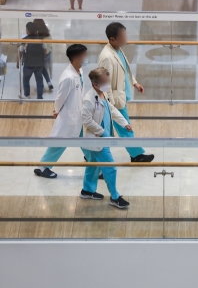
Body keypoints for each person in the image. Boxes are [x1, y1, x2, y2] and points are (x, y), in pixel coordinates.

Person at [98, 22, 154, 163]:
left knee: (123, 126)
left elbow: (125, 69)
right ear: (112, 39)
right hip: (115, 100)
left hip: (121, 95)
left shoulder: (118, 50)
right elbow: (104, 83)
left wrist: (134, 83)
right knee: (125, 126)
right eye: (123, 36)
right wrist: (110, 103)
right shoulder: (107, 57)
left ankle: (135, 154)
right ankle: (136, 154)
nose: (126, 38)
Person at [34, 44, 88, 179]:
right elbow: (60, 97)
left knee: (87, 142)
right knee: (59, 142)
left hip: (79, 115)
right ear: (76, 57)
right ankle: (43, 167)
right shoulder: (68, 77)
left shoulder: (79, 72)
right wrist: (56, 110)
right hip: (69, 116)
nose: (86, 58)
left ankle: (96, 167)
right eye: (84, 55)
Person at [80, 67, 131, 209]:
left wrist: (124, 123)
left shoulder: (102, 94)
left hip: (103, 138)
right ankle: (115, 197)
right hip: (97, 139)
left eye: (107, 80)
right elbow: (86, 120)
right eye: (104, 81)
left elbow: (111, 109)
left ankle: (87, 190)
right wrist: (102, 132)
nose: (107, 83)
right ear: (95, 84)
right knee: (110, 168)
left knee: (93, 166)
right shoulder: (89, 99)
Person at [18, 22, 50, 99]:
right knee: (39, 81)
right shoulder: (41, 39)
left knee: (26, 80)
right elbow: (45, 50)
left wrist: (18, 62)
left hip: (28, 64)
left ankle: (27, 95)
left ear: (27, 30)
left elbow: (21, 51)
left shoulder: (24, 40)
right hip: (39, 64)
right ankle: (39, 97)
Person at [33, 19, 54, 92]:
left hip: (40, 56)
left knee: (39, 71)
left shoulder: (36, 35)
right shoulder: (48, 33)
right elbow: (50, 44)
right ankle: (49, 83)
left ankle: (41, 86)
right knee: (43, 69)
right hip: (48, 54)